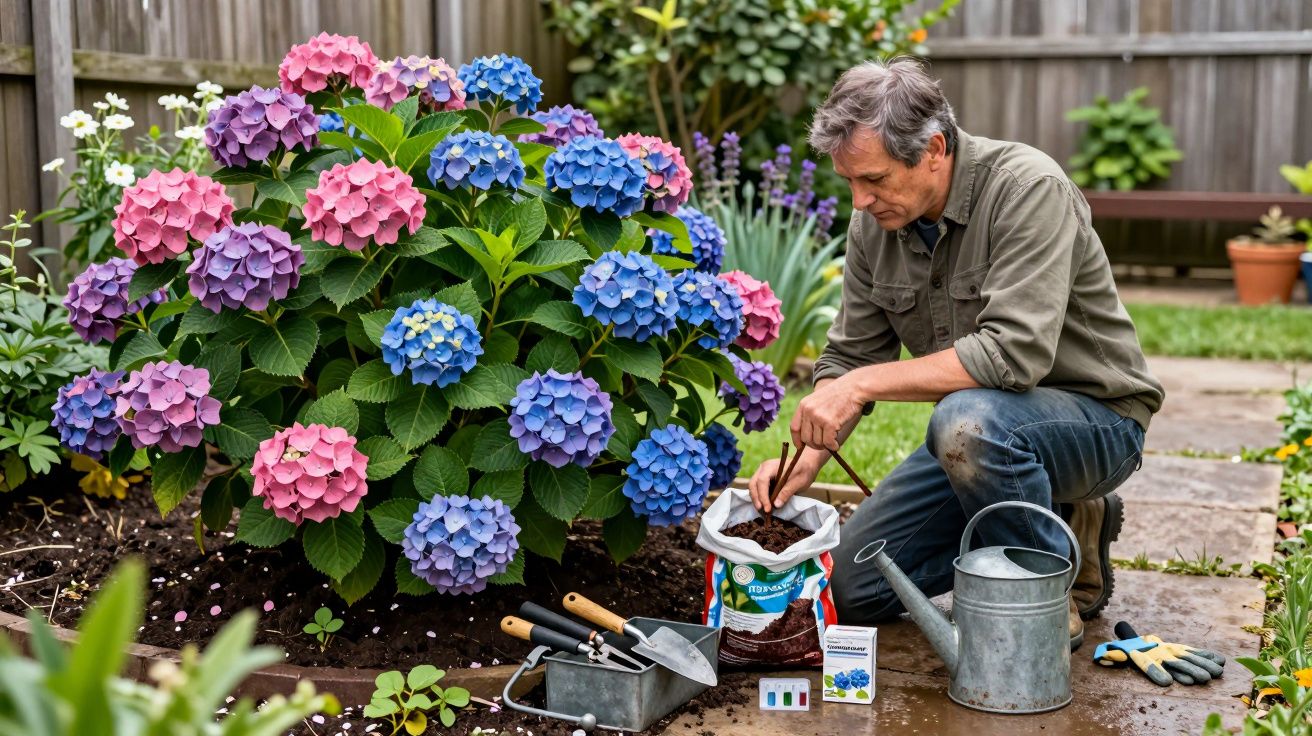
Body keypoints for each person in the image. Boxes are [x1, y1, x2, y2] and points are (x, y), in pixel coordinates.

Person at [747, 58, 1164, 649]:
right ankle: (1068, 520)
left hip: (1097, 424)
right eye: (849, 181)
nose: (859, 200)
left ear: (934, 149)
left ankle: (1041, 594)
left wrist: (861, 386)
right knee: (850, 587)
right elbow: (850, 356)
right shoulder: (874, 226)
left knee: (965, 421)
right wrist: (805, 464)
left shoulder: (1028, 189)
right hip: (986, 438)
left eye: (875, 179)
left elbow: (1011, 356)